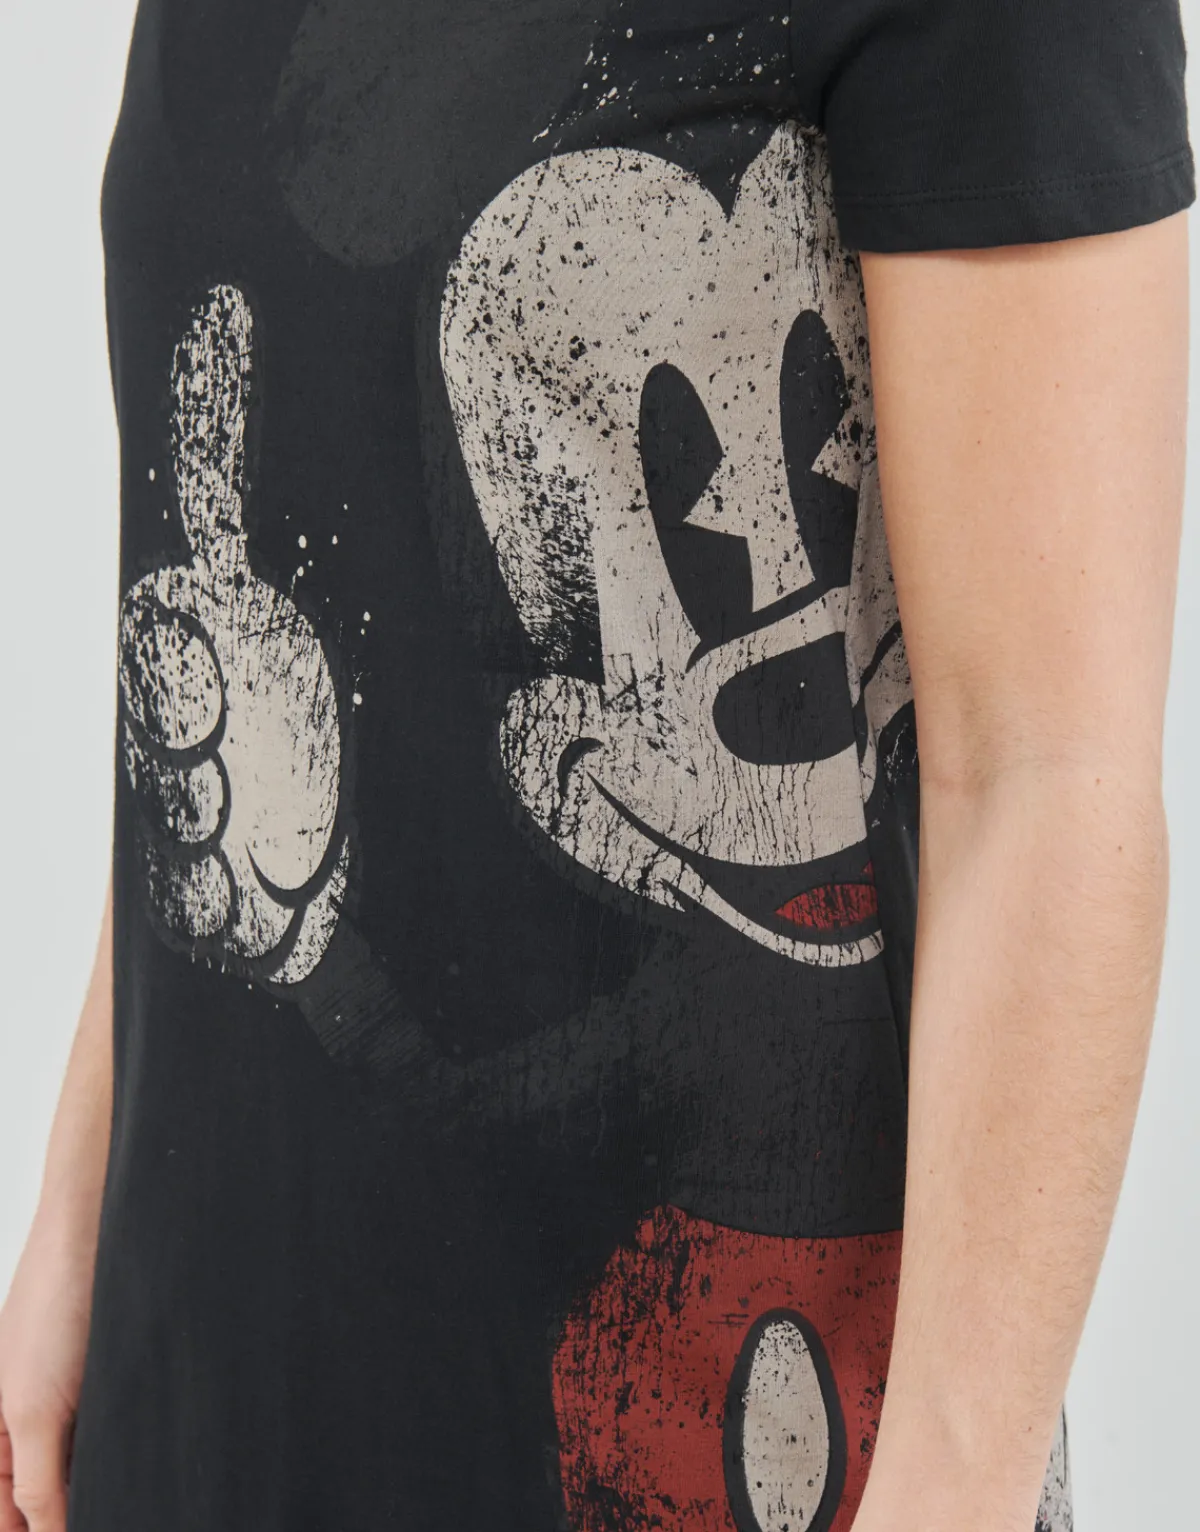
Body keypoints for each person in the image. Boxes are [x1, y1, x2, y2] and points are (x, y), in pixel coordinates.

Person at [0, 3, 1192, 1530]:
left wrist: (953, 1490)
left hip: (726, 1427)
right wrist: (77, 1218)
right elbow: (241, 601)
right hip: (212, 1382)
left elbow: (1044, 768)